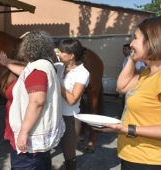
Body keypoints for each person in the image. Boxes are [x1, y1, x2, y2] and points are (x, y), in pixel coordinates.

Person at [99, 17, 161, 169]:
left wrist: (127, 129)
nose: (131, 44)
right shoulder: (146, 72)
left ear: (153, 41)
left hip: (149, 161)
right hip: (132, 155)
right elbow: (121, 87)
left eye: (135, 38)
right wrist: (132, 59)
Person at [0, 30, 65, 169]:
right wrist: (7, 64)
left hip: (31, 140)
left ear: (27, 48)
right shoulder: (44, 65)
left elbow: (37, 102)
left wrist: (24, 132)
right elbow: (25, 73)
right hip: (39, 140)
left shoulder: (37, 69)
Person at [55, 39, 89, 170]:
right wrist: (9, 62)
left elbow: (72, 99)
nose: (59, 53)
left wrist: (57, 82)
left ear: (72, 55)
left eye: (62, 51)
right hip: (55, 115)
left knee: (68, 153)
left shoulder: (83, 73)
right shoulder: (59, 67)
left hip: (70, 118)